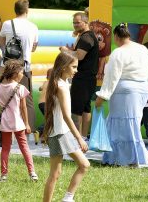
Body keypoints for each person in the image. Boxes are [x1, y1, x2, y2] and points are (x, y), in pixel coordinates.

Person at [94, 22, 148, 167]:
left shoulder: (118, 52)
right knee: (132, 124)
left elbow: (112, 76)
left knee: (122, 125)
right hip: (142, 89)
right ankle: (129, 157)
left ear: (116, 37)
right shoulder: (142, 49)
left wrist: (102, 96)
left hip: (126, 90)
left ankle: (125, 158)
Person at [41, 51, 90, 202]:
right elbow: (67, 116)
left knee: (58, 173)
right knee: (74, 168)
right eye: (74, 67)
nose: (76, 70)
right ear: (63, 67)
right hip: (60, 133)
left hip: (59, 132)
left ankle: (68, 198)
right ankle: (67, 198)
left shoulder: (59, 82)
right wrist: (79, 138)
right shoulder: (61, 86)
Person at [0, 0, 39, 129]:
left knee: (5, 98)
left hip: (8, 66)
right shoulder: (33, 27)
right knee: (27, 100)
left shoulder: (7, 24)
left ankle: (5, 128)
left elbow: (1, 43)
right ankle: (29, 130)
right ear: (27, 10)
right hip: (24, 66)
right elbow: (34, 48)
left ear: (15, 10)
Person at [0, 59, 37, 181]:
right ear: (15, 73)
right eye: (21, 72)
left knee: (5, 148)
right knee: (24, 147)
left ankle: (4, 175)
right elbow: (23, 108)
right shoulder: (20, 87)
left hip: (5, 122)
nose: (22, 75)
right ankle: (32, 172)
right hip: (18, 122)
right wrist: (27, 124)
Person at [63, 11, 99, 137]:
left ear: (86, 22)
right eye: (74, 23)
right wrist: (73, 50)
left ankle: (76, 138)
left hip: (82, 78)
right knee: (85, 108)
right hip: (89, 78)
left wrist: (66, 51)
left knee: (76, 110)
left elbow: (79, 56)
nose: (75, 25)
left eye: (78, 22)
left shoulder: (86, 37)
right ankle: (83, 137)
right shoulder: (89, 36)